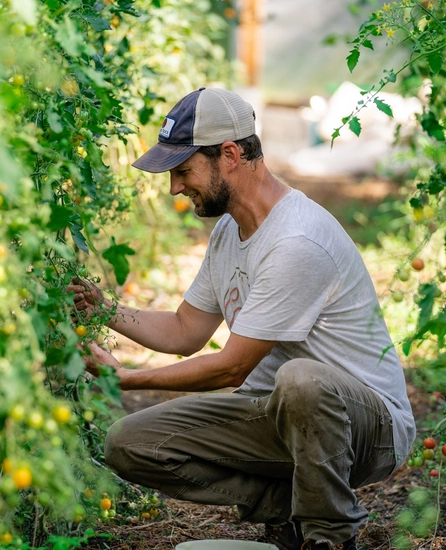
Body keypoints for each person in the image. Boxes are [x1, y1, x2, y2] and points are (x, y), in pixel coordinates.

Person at [67, 87, 415, 550]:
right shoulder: (230, 230)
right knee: (129, 443)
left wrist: (125, 378)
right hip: (277, 414)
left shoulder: (297, 241)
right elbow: (185, 330)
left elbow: (232, 367)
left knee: (302, 381)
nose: (175, 187)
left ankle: (328, 536)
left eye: (184, 170)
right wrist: (104, 308)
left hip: (368, 428)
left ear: (229, 154)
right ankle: (288, 510)